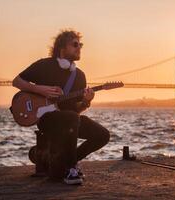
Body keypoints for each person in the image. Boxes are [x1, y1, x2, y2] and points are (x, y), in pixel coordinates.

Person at [12, 29, 110, 185]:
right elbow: (17, 81)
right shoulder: (44, 65)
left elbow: (75, 110)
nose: (79, 48)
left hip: (68, 119)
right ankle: (71, 169)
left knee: (103, 134)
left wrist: (86, 101)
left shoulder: (79, 75)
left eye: (81, 45)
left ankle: (65, 163)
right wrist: (40, 89)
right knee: (71, 118)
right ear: (62, 48)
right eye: (75, 44)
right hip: (45, 118)